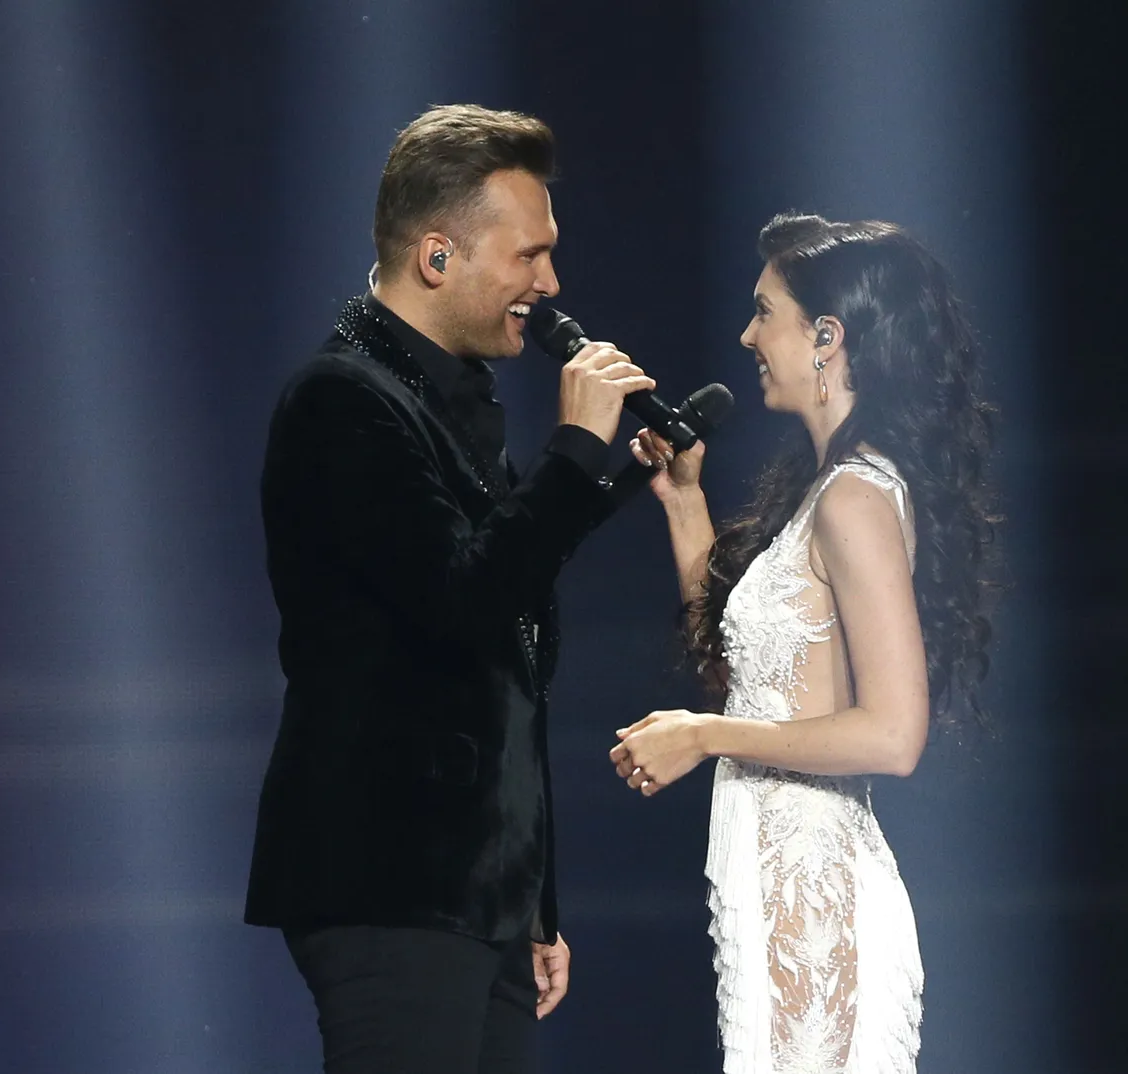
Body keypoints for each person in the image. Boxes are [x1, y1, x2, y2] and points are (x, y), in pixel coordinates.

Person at [244, 104, 654, 1074]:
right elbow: (463, 600)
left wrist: (532, 901)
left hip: (480, 896)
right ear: (437, 257)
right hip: (391, 882)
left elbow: (510, 647)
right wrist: (572, 453)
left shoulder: (448, 401)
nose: (550, 286)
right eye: (529, 256)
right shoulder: (341, 403)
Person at [610, 213, 997, 1073]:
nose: (747, 335)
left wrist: (702, 736)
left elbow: (894, 735)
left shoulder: (856, 499)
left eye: (764, 312)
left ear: (827, 336)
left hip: (818, 907)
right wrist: (684, 504)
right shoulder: (825, 492)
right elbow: (745, 683)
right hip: (775, 891)